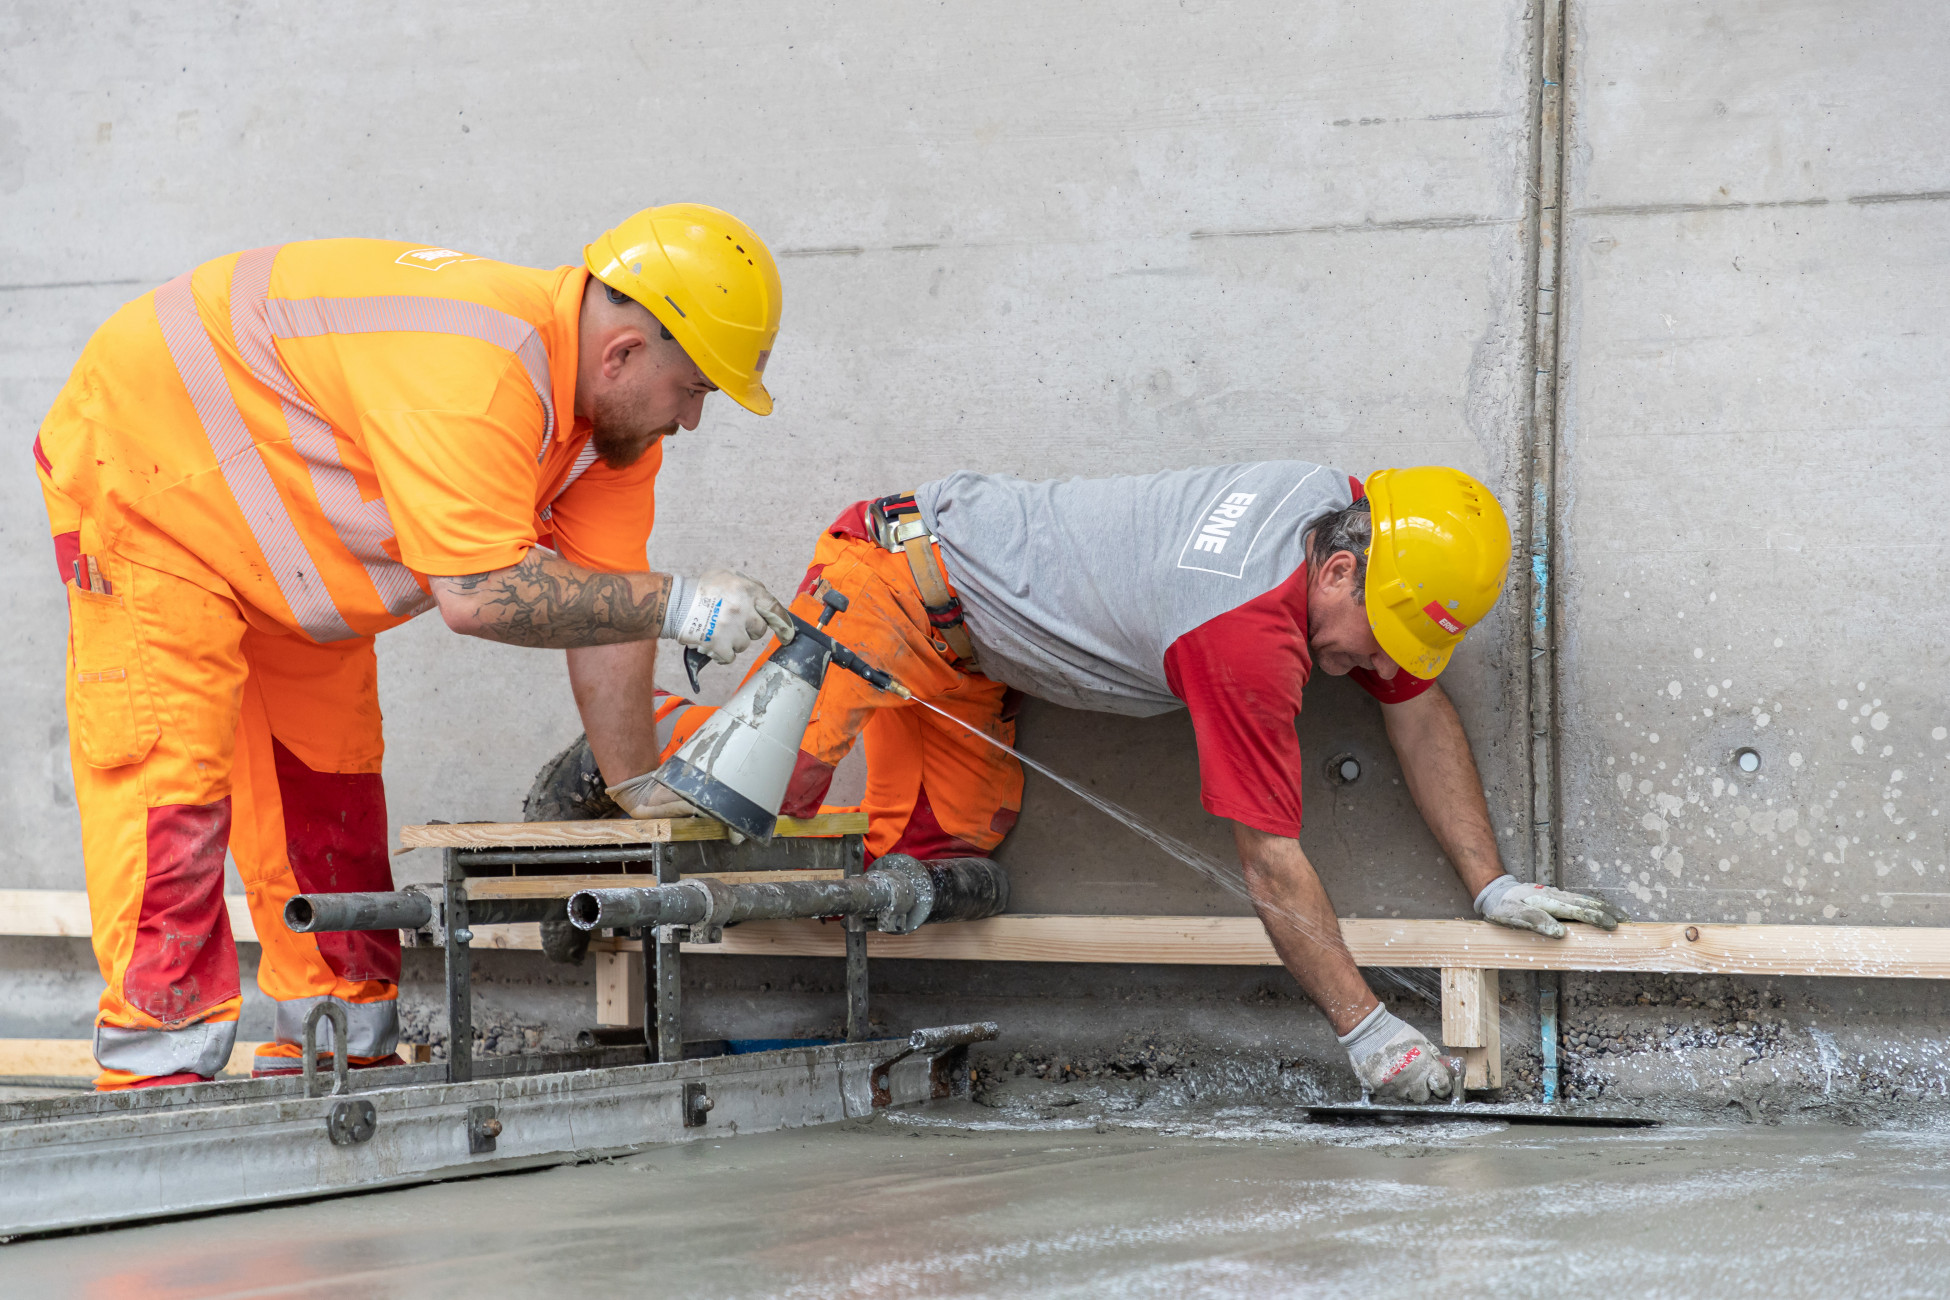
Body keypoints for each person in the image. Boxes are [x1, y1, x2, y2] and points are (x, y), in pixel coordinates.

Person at [562, 462, 1625, 1102]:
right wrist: (1368, 1030)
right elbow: (1269, 855)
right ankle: (628, 751)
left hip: (968, 654)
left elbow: (1416, 701)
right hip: (890, 578)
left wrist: (1493, 885)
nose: (1363, 663)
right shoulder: (1246, 637)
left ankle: (799, 748)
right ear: (1339, 570)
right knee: (771, 789)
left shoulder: (1347, 513)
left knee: (942, 856)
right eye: (1367, 636)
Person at [33, 204, 798, 1089]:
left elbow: (611, 616)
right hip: (146, 474)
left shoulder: (608, 439)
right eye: (696, 389)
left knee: (331, 788)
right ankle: (156, 1075)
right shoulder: (478, 373)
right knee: (174, 788)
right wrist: (687, 605)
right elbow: (477, 597)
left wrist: (638, 800)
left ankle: (339, 1053)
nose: (693, 421)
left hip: (275, 532)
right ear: (622, 355)